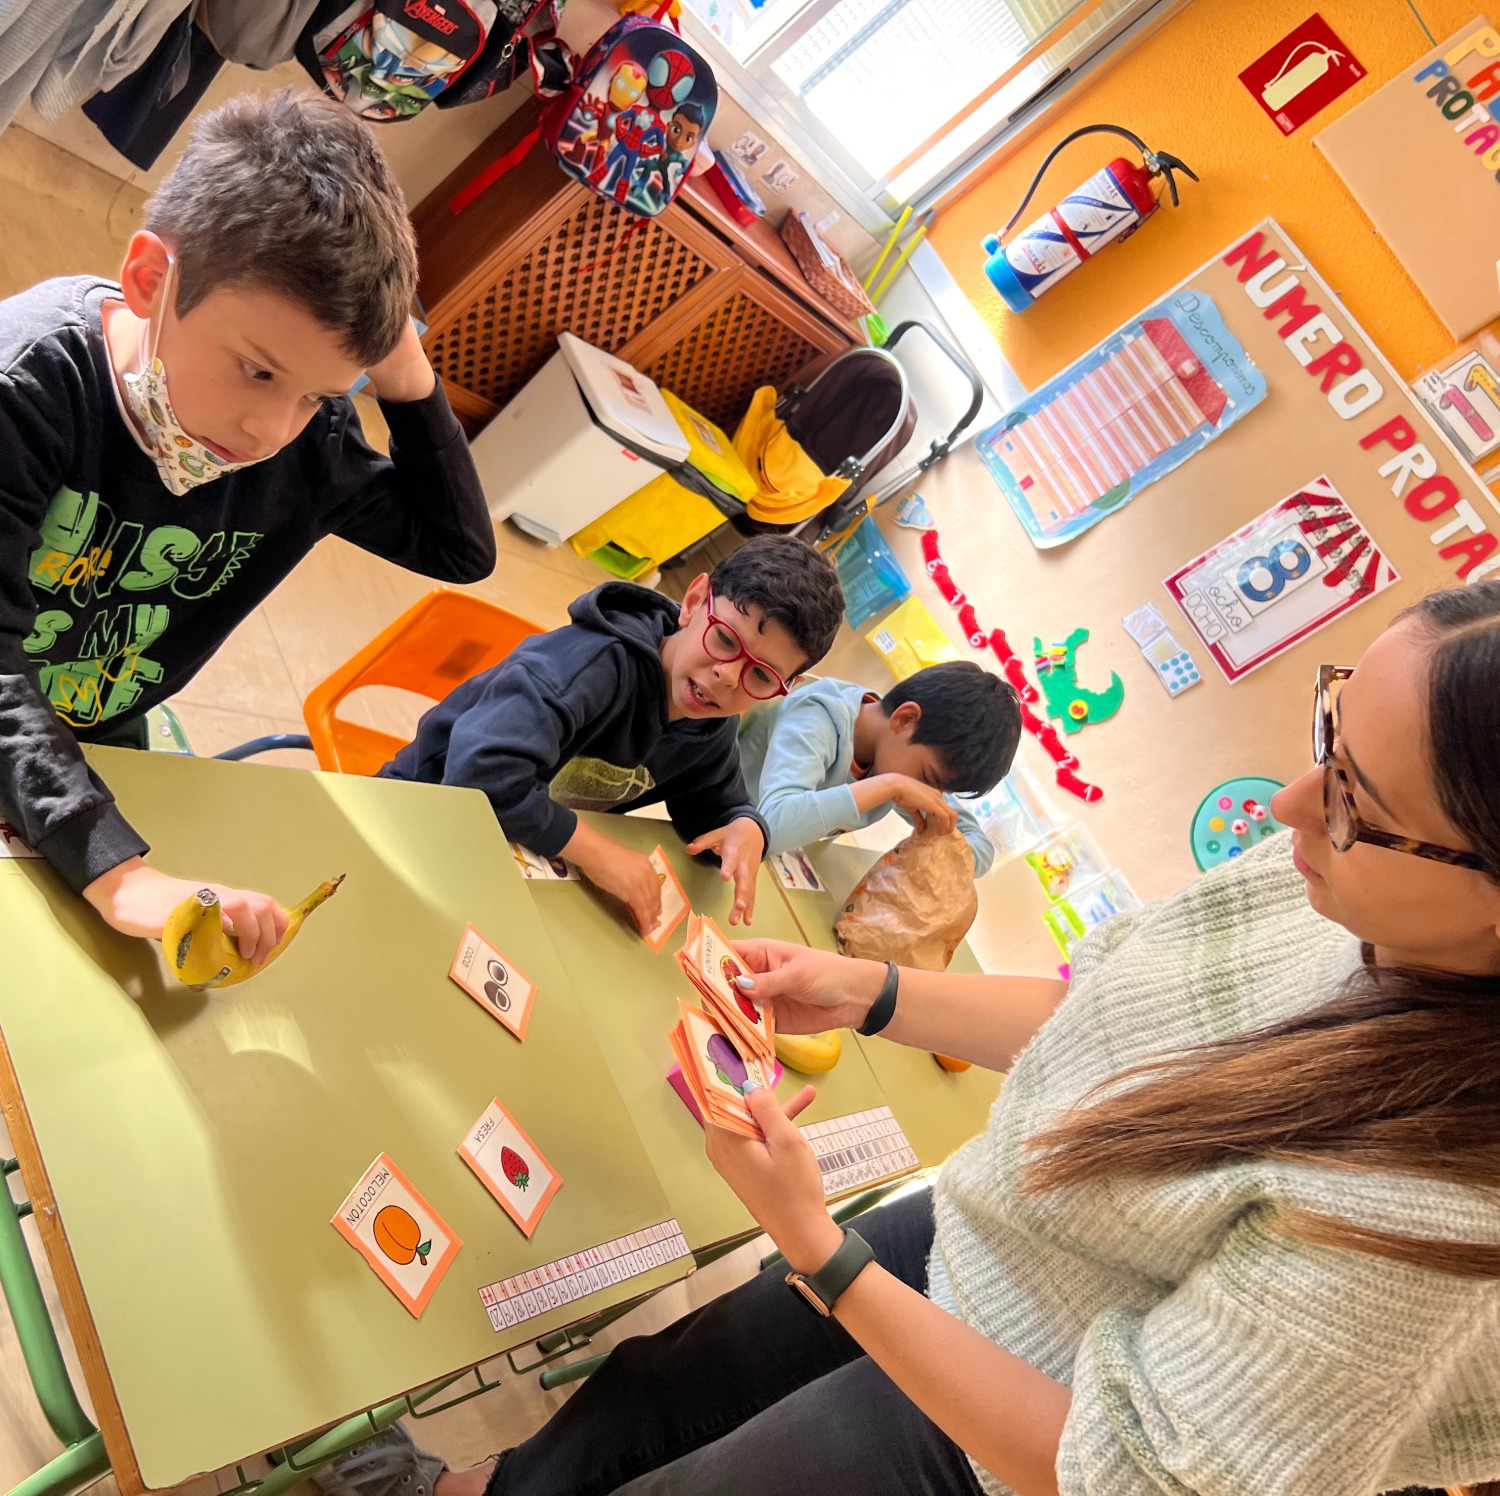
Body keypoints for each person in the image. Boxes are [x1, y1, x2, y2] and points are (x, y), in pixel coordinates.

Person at [354, 579, 1500, 1494]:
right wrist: (868, 992)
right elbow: (1113, 1011)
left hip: (1019, 1436)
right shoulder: (1316, 880)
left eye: (1356, 799)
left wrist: (822, 1247)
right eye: (1329, 726)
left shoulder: (1442, 1203)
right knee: (667, 1377)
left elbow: (1133, 1471)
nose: (1291, 803)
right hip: (985, 1230)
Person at [0, 89, 494, 964]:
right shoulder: (30, 388)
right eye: (258, 372)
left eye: (318, 395)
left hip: (100, 723)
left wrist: (407, 379)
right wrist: (119, 874)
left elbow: (458, 546)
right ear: (152, 280)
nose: (273, 429)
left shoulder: (306, 448)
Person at [381, 537, 844, 934]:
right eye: (724, 639)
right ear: (695, 600)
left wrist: (747, 825)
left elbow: (714, 813)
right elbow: (480, 774)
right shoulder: (591, 665)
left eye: (760, 676)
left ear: (784, 689)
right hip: (413, 817)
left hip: (511, 860)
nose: (726, 676)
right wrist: (599, 854)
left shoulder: (711, 721)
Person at [737, 660, 1021, 877]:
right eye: (927, 779)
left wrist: (949, 854)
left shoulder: (896, 752)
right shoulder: (819, 715)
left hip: (756, 868)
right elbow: (770, 825)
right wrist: (890, 786)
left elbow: (979, 846)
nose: (926, 793)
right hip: (713, 830)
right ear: (905, 718)